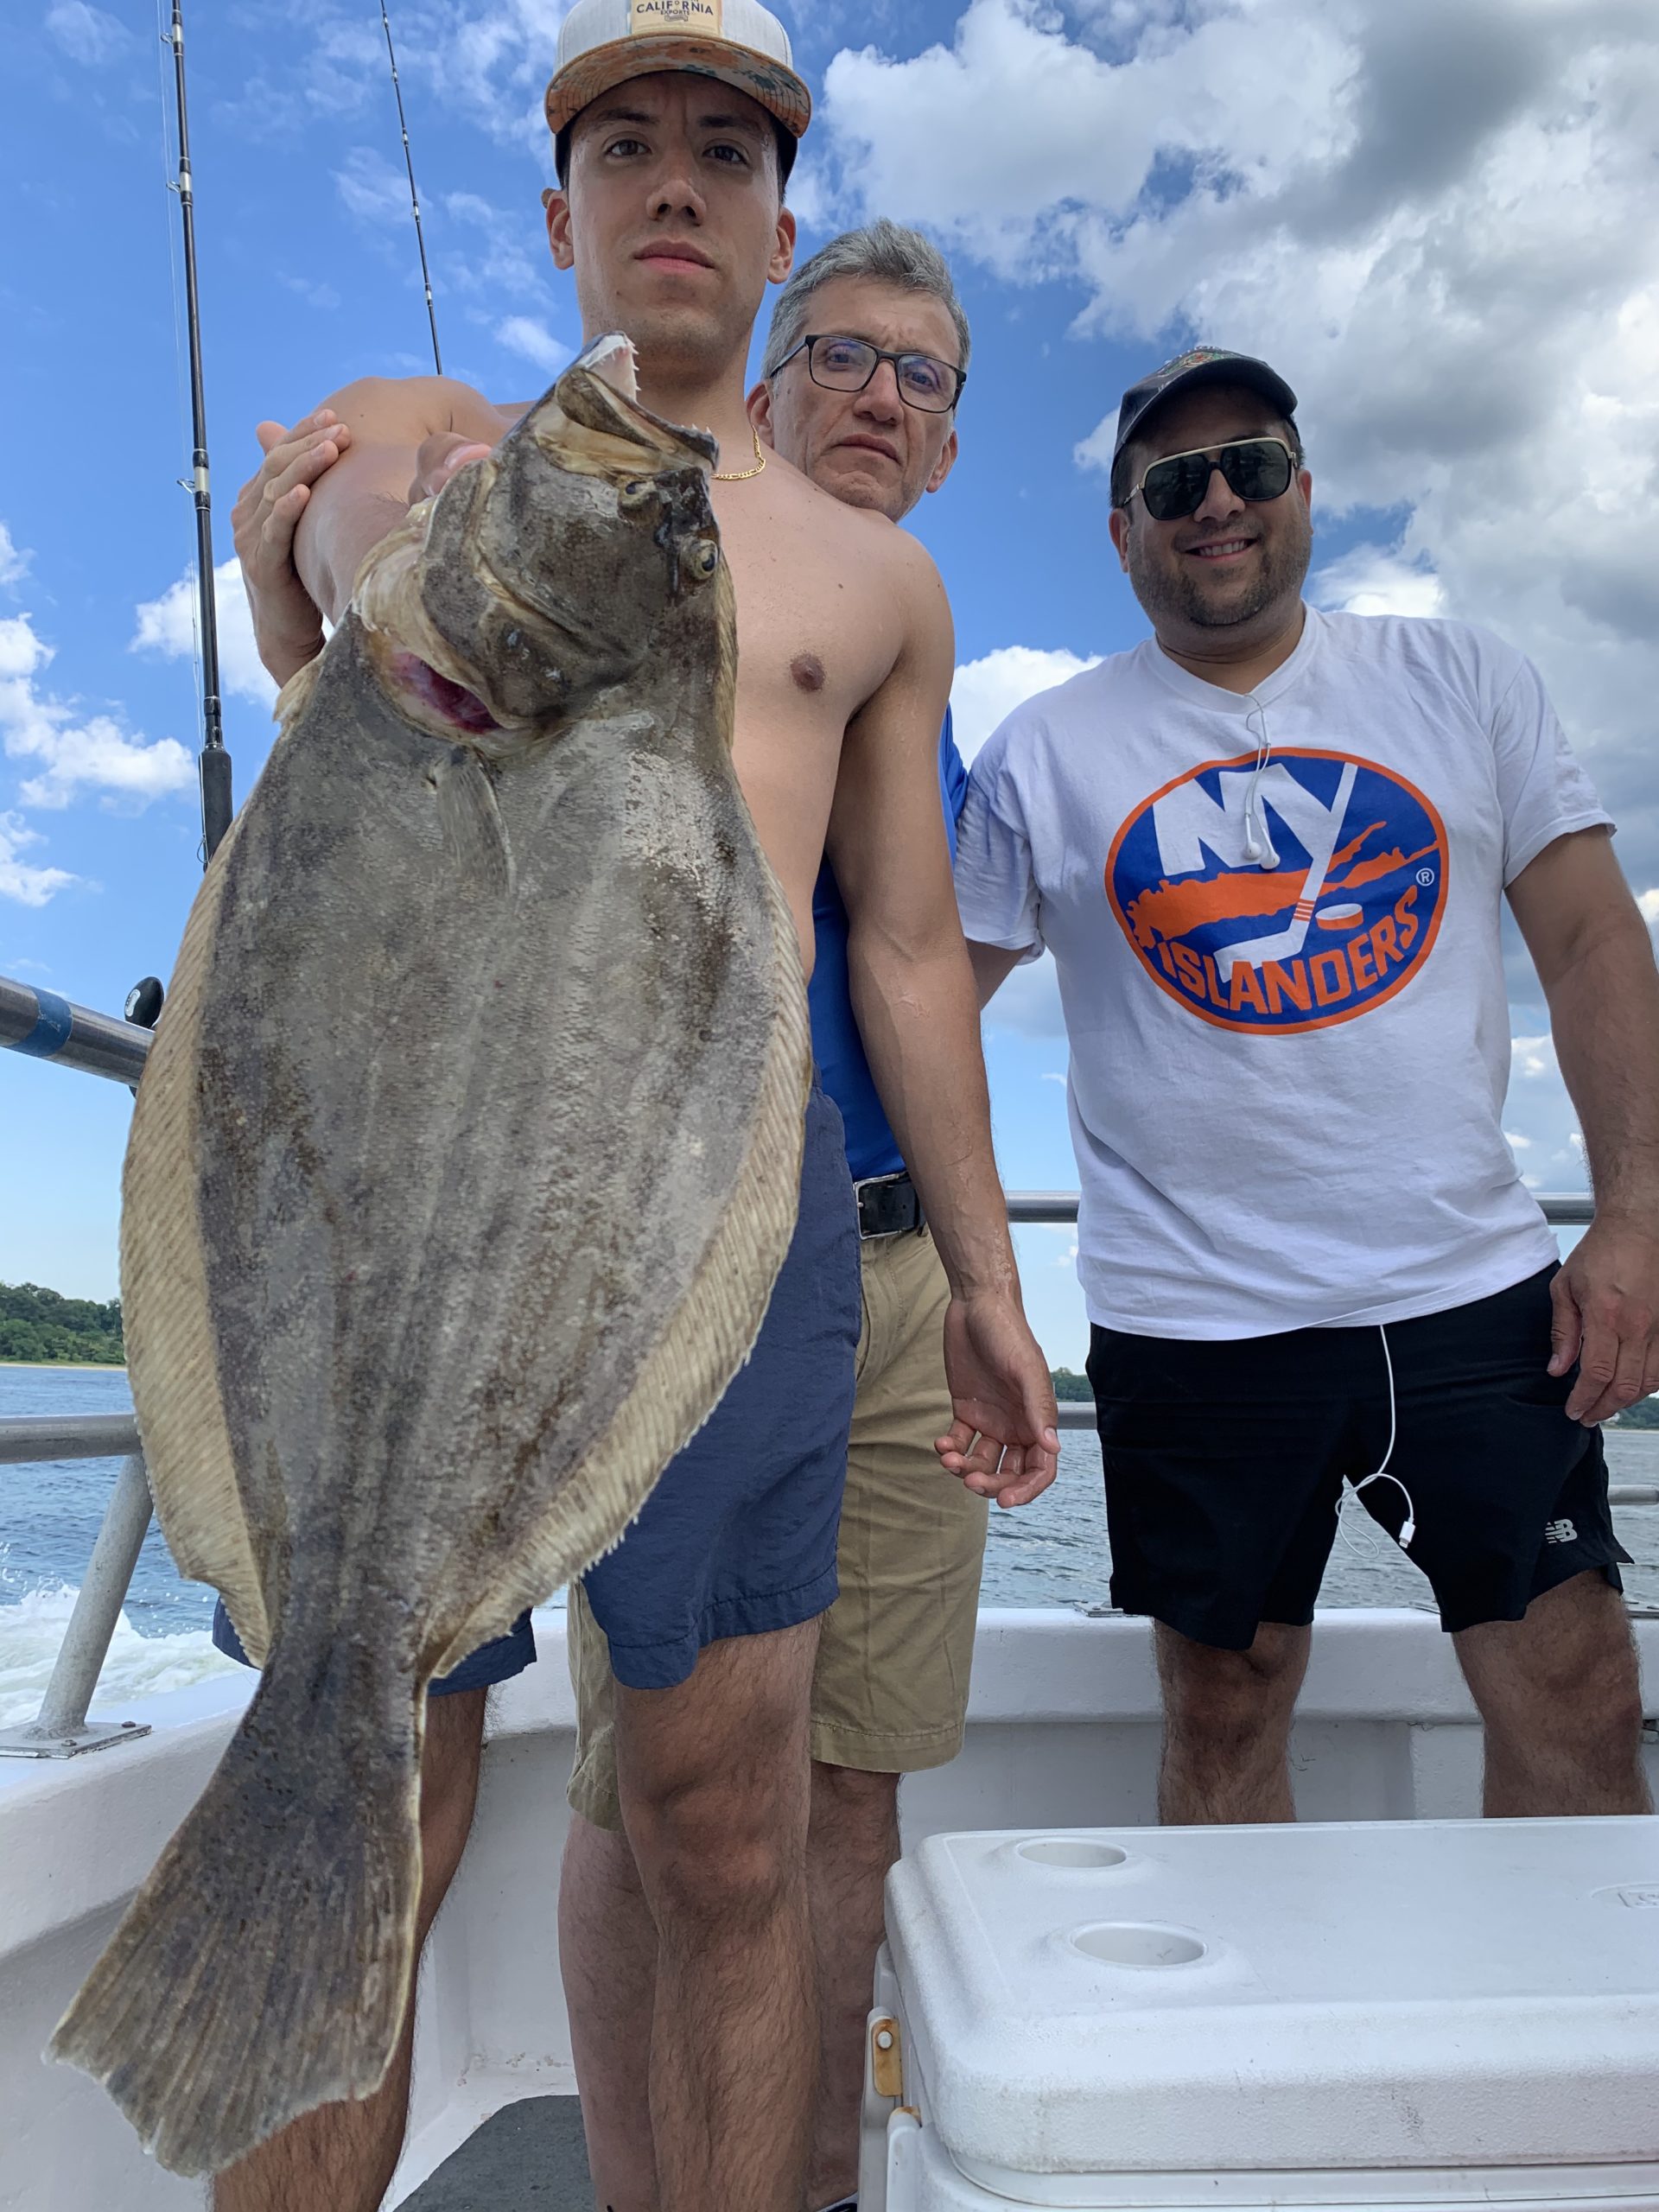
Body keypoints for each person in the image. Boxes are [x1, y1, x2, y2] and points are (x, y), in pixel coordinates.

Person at [227, 7, 1057, 2209]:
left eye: (721, 148)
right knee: (365, 1781)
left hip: (733, 1208)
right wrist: (282, 579)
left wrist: (983, 1279)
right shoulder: (433, 440)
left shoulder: (879, 578)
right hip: (409, 1193)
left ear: (779, 224)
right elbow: (342, 651)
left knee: (723, 1810)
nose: (674, 183)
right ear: (562, 211)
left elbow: (897, 947)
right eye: (625, 146)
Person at [956, 344, 1659, 1830]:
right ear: (1122, 530)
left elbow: (1595, 940)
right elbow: (921, 998)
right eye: (1172, 480)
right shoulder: (1046, 750)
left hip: (1475, 1291)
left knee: (1580, 1681)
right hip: (1191, 1314)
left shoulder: (1464, 679)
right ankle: (1235, 2052)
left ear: (1304, 489)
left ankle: (1564, 2057)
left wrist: (1639, 1218)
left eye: (1251, 465)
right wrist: (965, 1283)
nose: (1216, 501)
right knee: (1223, 1702)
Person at [559, 219, 990, 2212]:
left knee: (852, 1787)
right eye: (846, 357)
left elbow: (926, 968)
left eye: (924, 374)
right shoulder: (620, 567)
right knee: (650, 1795)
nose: (880, 396)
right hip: (663, 1259)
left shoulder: (907, 639)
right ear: (774, 362)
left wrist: (991, 1274)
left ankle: (808, 2184)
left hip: (885, 1263)